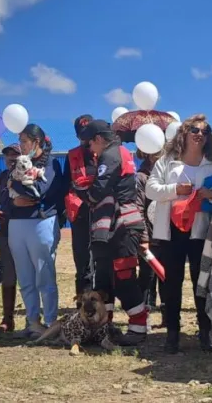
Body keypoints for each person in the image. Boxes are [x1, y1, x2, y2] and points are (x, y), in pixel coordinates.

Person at [146, 114, 212, 353]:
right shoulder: (167, 160)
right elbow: (151, 189)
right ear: (184, 133)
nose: (199, 134)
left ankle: (204, 331)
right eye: (193, 130)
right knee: (172, 283)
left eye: (204, 131)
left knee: (201, 282)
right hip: (171, 231)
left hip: (202, 231)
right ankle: (172, 332)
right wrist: (175, 189)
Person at [75, 120, 149, 345]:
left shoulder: (110, 155)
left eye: (90, 143)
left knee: (124, 277)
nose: (89, 149)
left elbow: (99, 190)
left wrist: (85, 193)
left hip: (121, 225)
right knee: (105, 276)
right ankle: (104, 326)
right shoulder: (120, 152)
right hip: (111, 227)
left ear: (98, 139)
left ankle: (138, 327)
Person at [7, 123, 66, 339]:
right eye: (20, 141)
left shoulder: (51, 164)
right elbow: (7, 192)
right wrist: (16, 194)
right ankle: (32, 322)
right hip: (17, 224)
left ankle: (50, 322)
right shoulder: (18, 164)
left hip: (41, 223)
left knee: (44, 275)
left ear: (36, 142)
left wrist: (16, 186)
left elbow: (39, 192)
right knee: (25, 277)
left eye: (24, 141)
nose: (21, 146)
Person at [63, 115, 96, 295]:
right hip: (80, 214)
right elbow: (65, 184)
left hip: (102, 213)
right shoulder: (72, 155)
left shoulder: (104, 152)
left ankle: (103, 305)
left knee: (101, 261)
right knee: (82, 261)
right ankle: (83, 304)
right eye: (82, 135)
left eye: (89, 134)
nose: (86, 139)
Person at [0, 144, 22, 332]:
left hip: (26, 230)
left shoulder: (30, 175)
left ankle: (34, 319)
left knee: (30, 277)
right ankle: (8, 319)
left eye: (15, 155)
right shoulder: (0, 178)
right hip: (5, 231)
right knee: (8, 275)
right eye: (8, 155)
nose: (11, 158)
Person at [135, 149, 162, 324]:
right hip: (149, 235)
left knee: (165, 274)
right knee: (147, 275)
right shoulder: (141, 177)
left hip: (166, 233)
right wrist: (144, 238)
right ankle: (142, 315)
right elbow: (139, 210)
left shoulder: (164, 175)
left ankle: (166, 314)